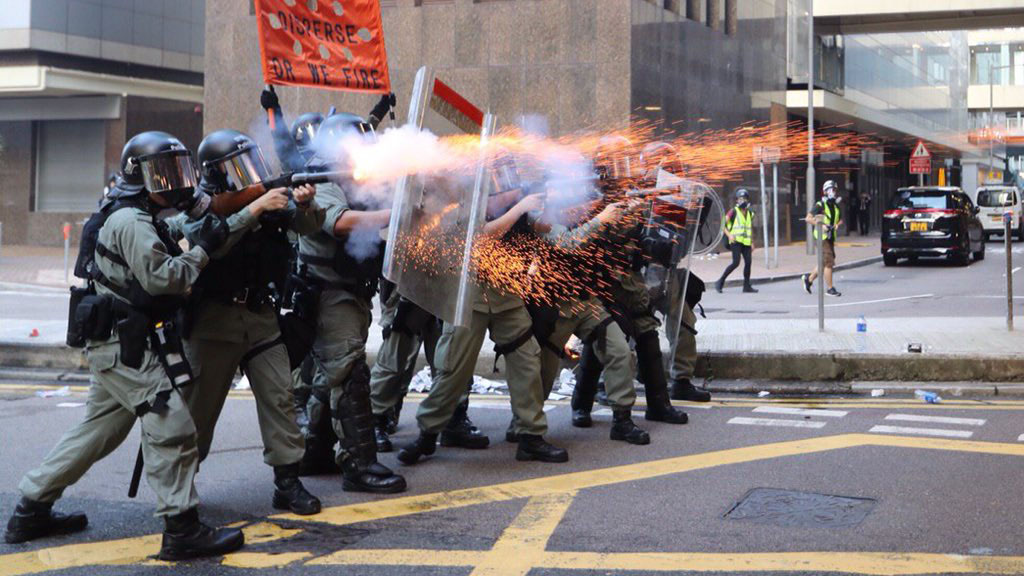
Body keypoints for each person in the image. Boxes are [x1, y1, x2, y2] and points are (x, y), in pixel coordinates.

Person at [5, 132, 245, 560]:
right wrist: (203, 251)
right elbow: (167, 278)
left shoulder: (135, 213)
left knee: (99, 430)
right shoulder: (130, 221)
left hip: (116, 341)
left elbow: (174, 232)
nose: (174, 182)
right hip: (123, 345)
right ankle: (182, 528)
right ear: (140, 177)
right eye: (163, 173)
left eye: (176, 170)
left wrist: (229, 218)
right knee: (171, 424)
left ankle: (31, 507)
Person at [175, 130, 323, 516]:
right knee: (198, 412)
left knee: (280, 396)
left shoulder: (266, 203)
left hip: (261, 317)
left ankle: (287, 481)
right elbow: (209, 241)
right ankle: (178, 491)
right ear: (217, 175)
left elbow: (306, 228)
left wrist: (306, 205)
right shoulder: (196, 208)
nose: (251, 176)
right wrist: (253, 209)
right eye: (238, 168)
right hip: (214, 322)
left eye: (251, 164)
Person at [397, 186, 570, 465]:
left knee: (527, 361)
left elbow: (541, 227)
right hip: (471, 295)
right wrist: (521, 205)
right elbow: (483, 236)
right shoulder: (468, 193)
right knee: (453, 368)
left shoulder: (517, 196)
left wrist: (546, 206)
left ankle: (530, 436)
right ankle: (427, 434)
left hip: (508, 293)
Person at [297, 113, 408, 493]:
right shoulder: (321, 177)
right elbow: (341, 222)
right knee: (349, 372)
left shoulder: (356, 178)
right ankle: (360, 464)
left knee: (332, 375)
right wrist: (397, 214)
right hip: (328, 293)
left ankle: (314, 450)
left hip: (352, 290)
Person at [802, 180, 843, 297]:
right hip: (822, 237)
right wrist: (821, 225)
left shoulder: (836, 206)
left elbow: (840, 219)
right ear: (826, 191)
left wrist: (837, 225)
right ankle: (830, 289)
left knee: (823, 262)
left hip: (830, 237)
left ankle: (808, 279)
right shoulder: (820, 204)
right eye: (832, 190)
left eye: (835, 190)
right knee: (829, 262)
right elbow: (808, 218)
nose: (834, 192)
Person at [715, 188, 757, 293]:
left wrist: (752, 242)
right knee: (735, 263)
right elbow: (722, 225)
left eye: (744, 199)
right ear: (737, 200)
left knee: (748, 262)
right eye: (740, 199)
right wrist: (729, 235)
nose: (742, 201)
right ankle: (720, 282)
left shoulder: (750, 213)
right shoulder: (733, 211)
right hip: (735, 242)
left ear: (748, 200)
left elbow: (749, 228)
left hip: (746, 242)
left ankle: (746, 286)